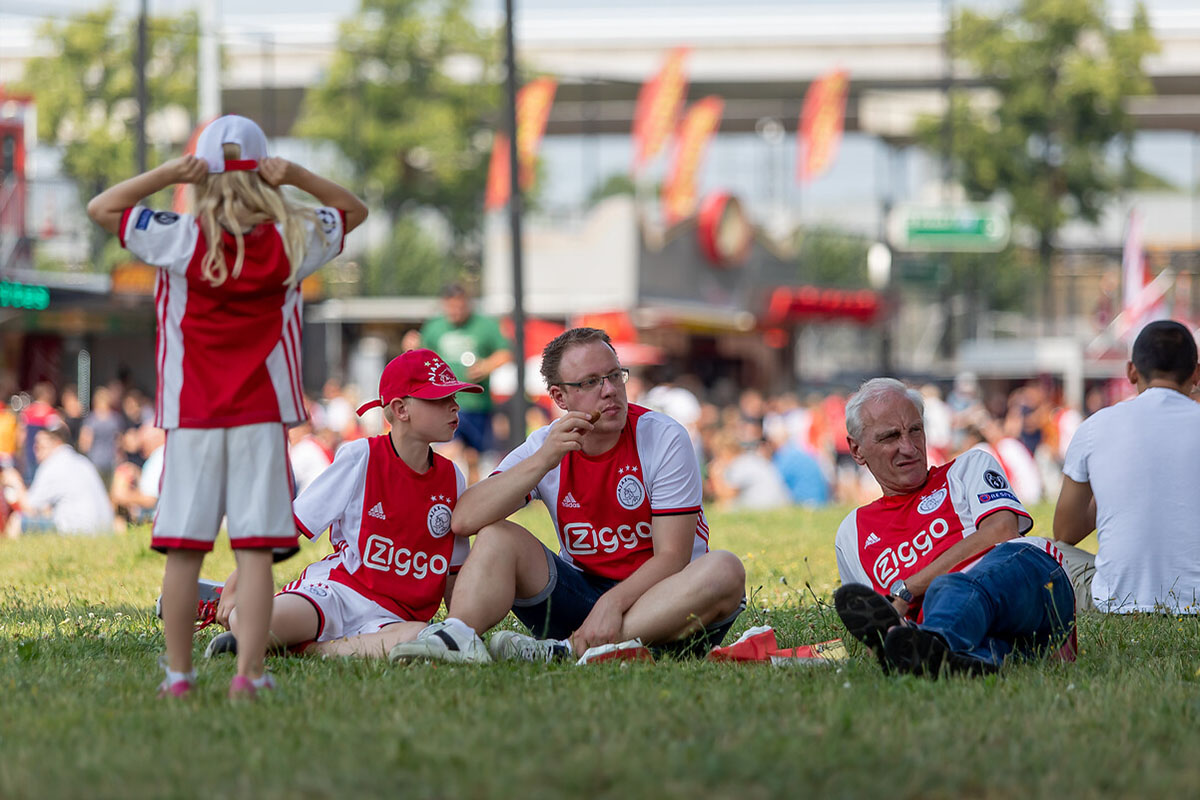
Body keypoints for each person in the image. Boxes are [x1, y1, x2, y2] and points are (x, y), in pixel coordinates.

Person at [86, 113, 367, 698]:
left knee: (185, 552)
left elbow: (102, 209)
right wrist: (296, 176)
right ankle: (250, 675)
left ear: (201, 173)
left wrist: (165, 173)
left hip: (191, 417)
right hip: (261, 418)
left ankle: (179, 676)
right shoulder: (292, 237)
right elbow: (354, 210)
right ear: (265, 174)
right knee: (256, 553)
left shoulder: (179, 234)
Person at [390, 327, 746, 665]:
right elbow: (465, 517)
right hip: (581, 598)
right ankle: (455, 637)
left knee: (725, 569)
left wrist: (613, 602)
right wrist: (544, 460)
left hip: (668, 602)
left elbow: (673, 557)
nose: (609, 391)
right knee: (497, 535)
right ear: (559, 396)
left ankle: (568, 650)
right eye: (590, 382)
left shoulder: (663, 437)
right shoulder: (548, 444)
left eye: (614, 376)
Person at [204, 350, 480, 659]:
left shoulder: (452, 478)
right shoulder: (361, 456)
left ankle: (312, 650)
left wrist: (461, 630)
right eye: (439, 399)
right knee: (251, 621)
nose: (454, 406)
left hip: (396, 619)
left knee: (421, 638)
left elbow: (453, 573)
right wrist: (237, 579)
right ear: (401, 409)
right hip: (337, 592)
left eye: (454, 397)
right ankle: (214, 602)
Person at [832, 378, 1074, 677]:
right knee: (979, 644)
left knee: (948, 587)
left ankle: (936, 645)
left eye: (915, 430)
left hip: (1031, 586)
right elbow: (880, 621)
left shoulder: (968, 467)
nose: (908, 447)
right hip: (978, 631)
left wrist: (913, 586)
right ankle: (953, 659)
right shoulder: (852, 533)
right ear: (856, 450)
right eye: (890, 437)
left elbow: (1001, 531)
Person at [1053, 320, 1200, 614]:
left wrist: (1115, 490)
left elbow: (1064, 533)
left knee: (1037, 548)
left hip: (1117, 601)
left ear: (1131, 371)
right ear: (1196, 373)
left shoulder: (1095, 427)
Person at [409, 283, 512, 482]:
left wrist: (486, 366)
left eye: (459, 307)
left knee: (475, 457)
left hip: (477, 403)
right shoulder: (435, 326)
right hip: (444, 401)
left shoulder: (485, 325)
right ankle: (438, 491)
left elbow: (506, 352)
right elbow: (420, 355)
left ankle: (473, 499)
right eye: (450, 307)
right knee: (449, 449)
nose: (455, 312)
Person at [3, 422, 113, 536]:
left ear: (57, 443)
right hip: (104, 531)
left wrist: (15, 482)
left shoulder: (52, 464)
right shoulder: (82, 461)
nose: (35, 451)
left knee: (18, 520)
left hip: (79, 531)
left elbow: (29, 508)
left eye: (40, 446)